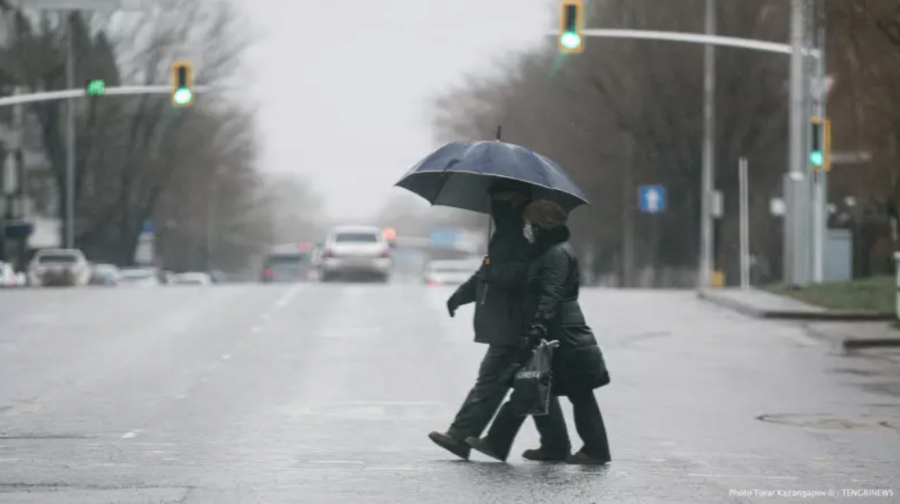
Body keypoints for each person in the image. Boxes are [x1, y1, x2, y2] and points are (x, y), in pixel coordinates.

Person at [465, 199, 611, 465]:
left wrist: (539, 326)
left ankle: (595, 450)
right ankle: (538, 446)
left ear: (542, 225)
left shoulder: (556, 253)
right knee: (531, 386)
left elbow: (551, 294)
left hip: (564, 335)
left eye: (528, 223)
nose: (526, 229)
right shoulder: (547, 251)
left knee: (565, 391)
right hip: (560, 331)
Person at [427, 179, 534, 460]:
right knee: (530, 385)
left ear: (514, 201)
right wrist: (461, 296)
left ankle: (460, 436)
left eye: (500, 197)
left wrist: (492, 274)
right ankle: (555, 442)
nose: (494, 203)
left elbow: (521, 276)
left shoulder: (518, 236)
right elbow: (485, 273)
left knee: (492, 382)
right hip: (506, 323)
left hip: (511, 324)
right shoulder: (504, 234)